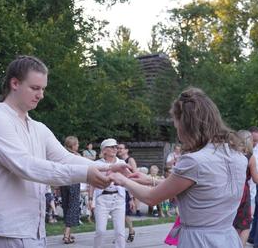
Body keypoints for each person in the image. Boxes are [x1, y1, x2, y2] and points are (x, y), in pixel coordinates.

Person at [0, 55, 128, 247]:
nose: (41, 95)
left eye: (43, 89)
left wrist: (111, 169)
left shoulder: (38, 128)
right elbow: (25, 166)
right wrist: (87, 174)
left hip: (34, 230)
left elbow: (65, 158)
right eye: (35, 88)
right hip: (3, 230)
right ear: (14, 83)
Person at [109, 87, 248, 248]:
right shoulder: (237, 156)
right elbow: (201, 189)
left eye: (176, 125)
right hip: (228, 238)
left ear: (186, 125)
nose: (177, 131)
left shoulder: (194, 161)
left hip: (199, 241)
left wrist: (122, 180)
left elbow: (151, 198)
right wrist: (150, 180)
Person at [233, 130, 258, 247]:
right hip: (243, 192)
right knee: (245, 224)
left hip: (229, 189)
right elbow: (257, 180)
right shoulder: (250, 157)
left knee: (230, 221)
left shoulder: (230, 155)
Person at [90, 138, 127, 248]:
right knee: (100, 231)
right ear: (104, 150)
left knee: (120, 232)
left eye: (116, 147)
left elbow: (129, 180)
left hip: (119, 198)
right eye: (112, 147)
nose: (115, 149)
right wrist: (90, 199)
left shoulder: (122, 163)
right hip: (102, 199)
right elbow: (92, 182)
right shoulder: (96, 164)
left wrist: (133, 198)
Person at [60, 136, 82, 244]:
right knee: (72, 207)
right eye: (77, 144)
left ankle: (68, 232)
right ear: (73, 146)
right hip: (73, 182)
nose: (78, 146)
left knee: (66, 206)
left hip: (63, 183)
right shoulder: (76, 156)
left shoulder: (62, 156)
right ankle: (66, 234)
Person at [117, 143, 136, 242]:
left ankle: (131, 231)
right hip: (119, 188)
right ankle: (120, 235)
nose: (119, 150)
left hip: (128, 189)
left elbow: (135, 175)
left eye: (121, 148)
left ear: (126, 150)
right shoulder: (118, 161)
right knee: (118, 214)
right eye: (118, 148)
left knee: (125, 213)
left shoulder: (130, 160)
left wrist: (132, 196)